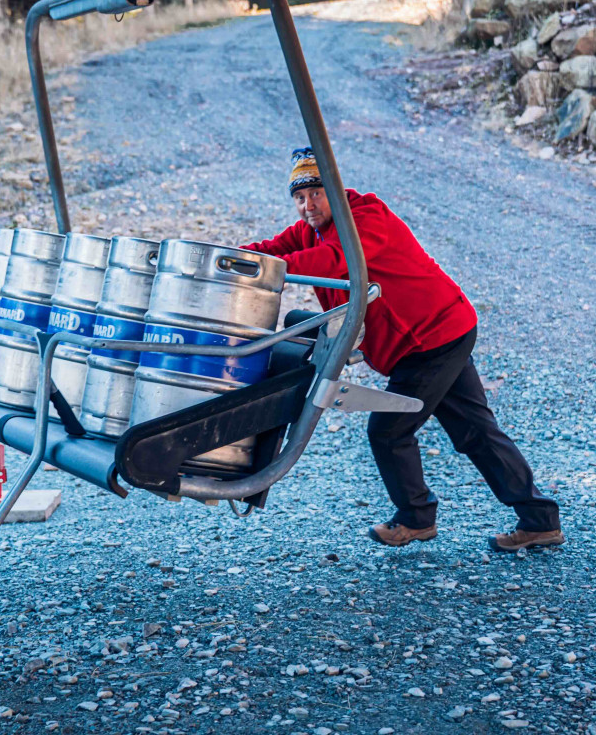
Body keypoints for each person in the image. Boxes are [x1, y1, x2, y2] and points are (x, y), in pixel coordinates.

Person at [240, 147, 563, 552]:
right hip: (436, 334)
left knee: (389, 431)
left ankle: (415, 519)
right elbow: (271, 248)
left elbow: (336, 261)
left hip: (433, 337)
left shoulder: (367, 217)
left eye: (316, 194)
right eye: (300, 198)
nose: (308, 206)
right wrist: (230, 259)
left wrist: (277, 270)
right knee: (476, 432)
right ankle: (539, 521)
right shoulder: (310, 229)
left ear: (335, 190)